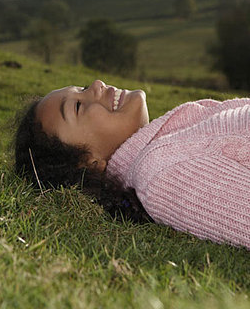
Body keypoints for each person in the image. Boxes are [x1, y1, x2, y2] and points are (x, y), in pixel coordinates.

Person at [15, 79, 250, 250]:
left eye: (84, 88)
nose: (97, 84)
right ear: (89, 162)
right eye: (78, 106)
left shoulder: (172, 137)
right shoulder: (161, 176)